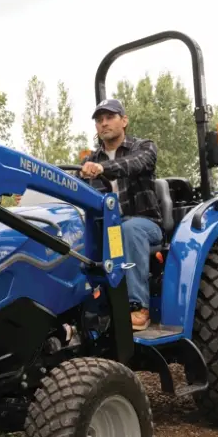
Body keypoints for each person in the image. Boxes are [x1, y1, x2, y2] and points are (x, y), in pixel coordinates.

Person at [77, 98, 163, 330]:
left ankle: (138, 306)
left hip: (145, 225)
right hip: (109, 230)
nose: (104, 124)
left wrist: (104, 170)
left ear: (124, 121)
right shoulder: (90, 161)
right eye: (99, 120)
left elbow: (134, 164)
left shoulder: (143, 147)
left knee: (129, 228)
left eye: (110, 117)